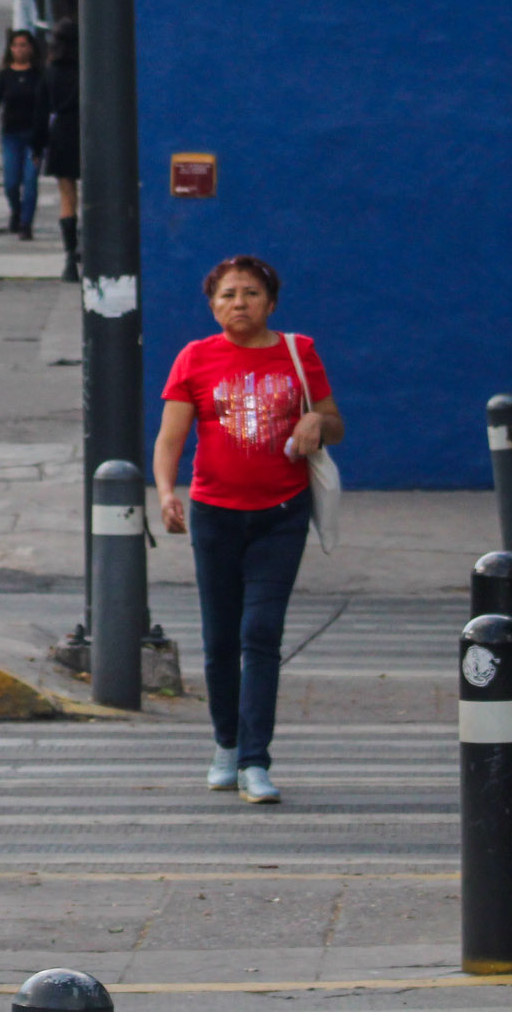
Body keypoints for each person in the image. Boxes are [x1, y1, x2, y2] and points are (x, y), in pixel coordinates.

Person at [153, 254, 341, 804]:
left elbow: (336, 422)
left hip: (282, 515)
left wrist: (314, 420)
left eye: (252, 293)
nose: (240, 303)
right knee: (219, 639)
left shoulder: (298, 353)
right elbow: (170, 438)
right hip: (214, 514)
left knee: (260, 635)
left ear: (271, 303)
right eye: (229, 295)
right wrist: (167, 493)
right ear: (213, 306)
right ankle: (226, 746)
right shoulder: (195, 358)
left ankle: (256, 761)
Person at [0, 30, 49, 238]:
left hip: (34, 137)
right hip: (11, 136)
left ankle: (26, 224)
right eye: (15, 45)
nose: (19, 49)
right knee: (11, 183)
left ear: (31, 48)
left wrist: (42, 137)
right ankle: (16, 211)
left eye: (24, 45)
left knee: (31, 182)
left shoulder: (39, 76)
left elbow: (45, 107)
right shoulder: (5, 76)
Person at [42, 21, 82, 280]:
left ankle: (69, 255)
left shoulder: (51, 72)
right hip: (89, 133)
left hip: (61, 134)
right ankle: (88, 245)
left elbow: (40, 110)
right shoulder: (89, 68)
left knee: (67, 197)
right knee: (93, 196)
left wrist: (37, 145)